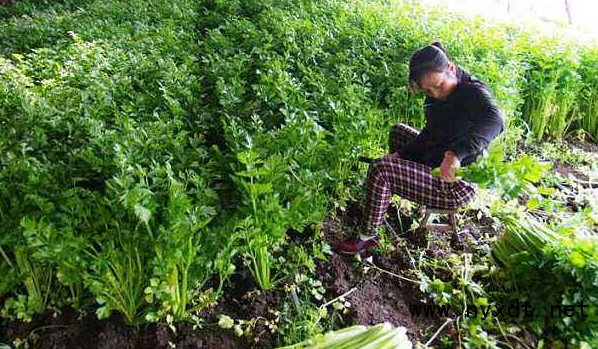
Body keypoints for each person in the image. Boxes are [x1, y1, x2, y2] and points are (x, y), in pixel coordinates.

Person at [339, 42, 504, 254]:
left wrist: (455, 154)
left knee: (380, 171)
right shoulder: (436, 94)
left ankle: (368, 237)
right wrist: (400, 155)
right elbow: (431, 132)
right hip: (435, 159)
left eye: (439, 85)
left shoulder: (472, 93)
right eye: (427, 90)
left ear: (451, 69)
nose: (434, 93)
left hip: (454, 184)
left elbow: (496, 120)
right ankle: (385, 196)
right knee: (398, 132)